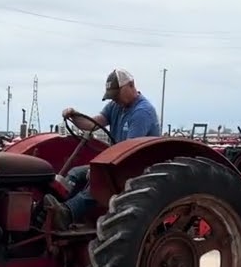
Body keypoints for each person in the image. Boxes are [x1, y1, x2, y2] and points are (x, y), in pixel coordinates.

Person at [42, 68, 161, 229]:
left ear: (131, 85)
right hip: (118, 165)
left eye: (117, 95)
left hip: (137, 170)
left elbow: (129, 152)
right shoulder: (116, 107)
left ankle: (66, 214)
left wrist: (101, 170)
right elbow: (92, 124)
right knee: (76, 173)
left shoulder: (142, 112)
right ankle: (52, 206)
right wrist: (74, 116)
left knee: (100, 182)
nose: (115, 100)